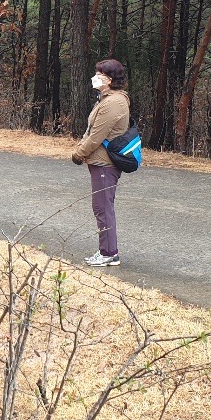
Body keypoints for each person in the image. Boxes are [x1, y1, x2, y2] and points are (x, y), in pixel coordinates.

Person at [72, 59, 131, 267]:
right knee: (102, 206)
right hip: (100, 161)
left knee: (103, 207)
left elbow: (96, 136)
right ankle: (107, 251)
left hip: (105, 163)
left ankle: (108, 253)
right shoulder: (107, 99)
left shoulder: (113, 102)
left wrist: (78, 153)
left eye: (100, 74)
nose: (95, 78)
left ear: (110, 79)